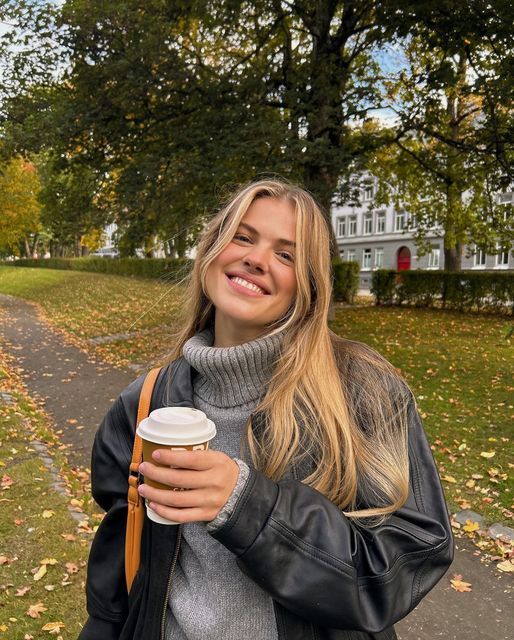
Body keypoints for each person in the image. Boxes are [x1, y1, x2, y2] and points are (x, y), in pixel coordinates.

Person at [79, 179, 453, 640]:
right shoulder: (145, 403)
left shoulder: (363, 392)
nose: (256, 259)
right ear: (212, 249)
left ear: (310, 284)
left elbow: (403, 565)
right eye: (243, 236)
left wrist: (246, 506)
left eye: (286, 254)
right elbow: (119, 569)